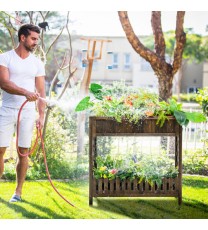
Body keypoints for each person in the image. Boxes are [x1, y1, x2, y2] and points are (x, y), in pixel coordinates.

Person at [0, 24, 46, 202]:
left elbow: (41, 92)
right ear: (22, 38)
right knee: (0, 150)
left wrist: (40, 116)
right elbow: (4, 83)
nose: (36, 42)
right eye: (33, 38)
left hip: (27, 112)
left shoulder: (37, 63)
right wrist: (25, 92)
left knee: (23, 151)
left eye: (37, 39)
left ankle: (17, 193)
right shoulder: (5, 58)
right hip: (6, 110)